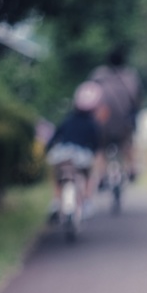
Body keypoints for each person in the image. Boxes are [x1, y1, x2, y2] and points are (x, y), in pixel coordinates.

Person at [45, 81, 104, 219]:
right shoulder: (92, 124)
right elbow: (96, 145)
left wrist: (47, 149)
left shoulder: (67, 120)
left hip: (62, 154)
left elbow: (55, 137)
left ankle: (55, 201)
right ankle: (88, 201)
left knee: (58, 176)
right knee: (89, 174)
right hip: (81, 156)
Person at [88, 44, 143, 181]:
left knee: (100, 146)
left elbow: (89, 96)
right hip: (124, 121)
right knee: (128, 143)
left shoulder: (98, 75)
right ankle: (132, 169)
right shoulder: (130, 76)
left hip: (103, 119)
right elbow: (137, 98)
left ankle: (101, 174)